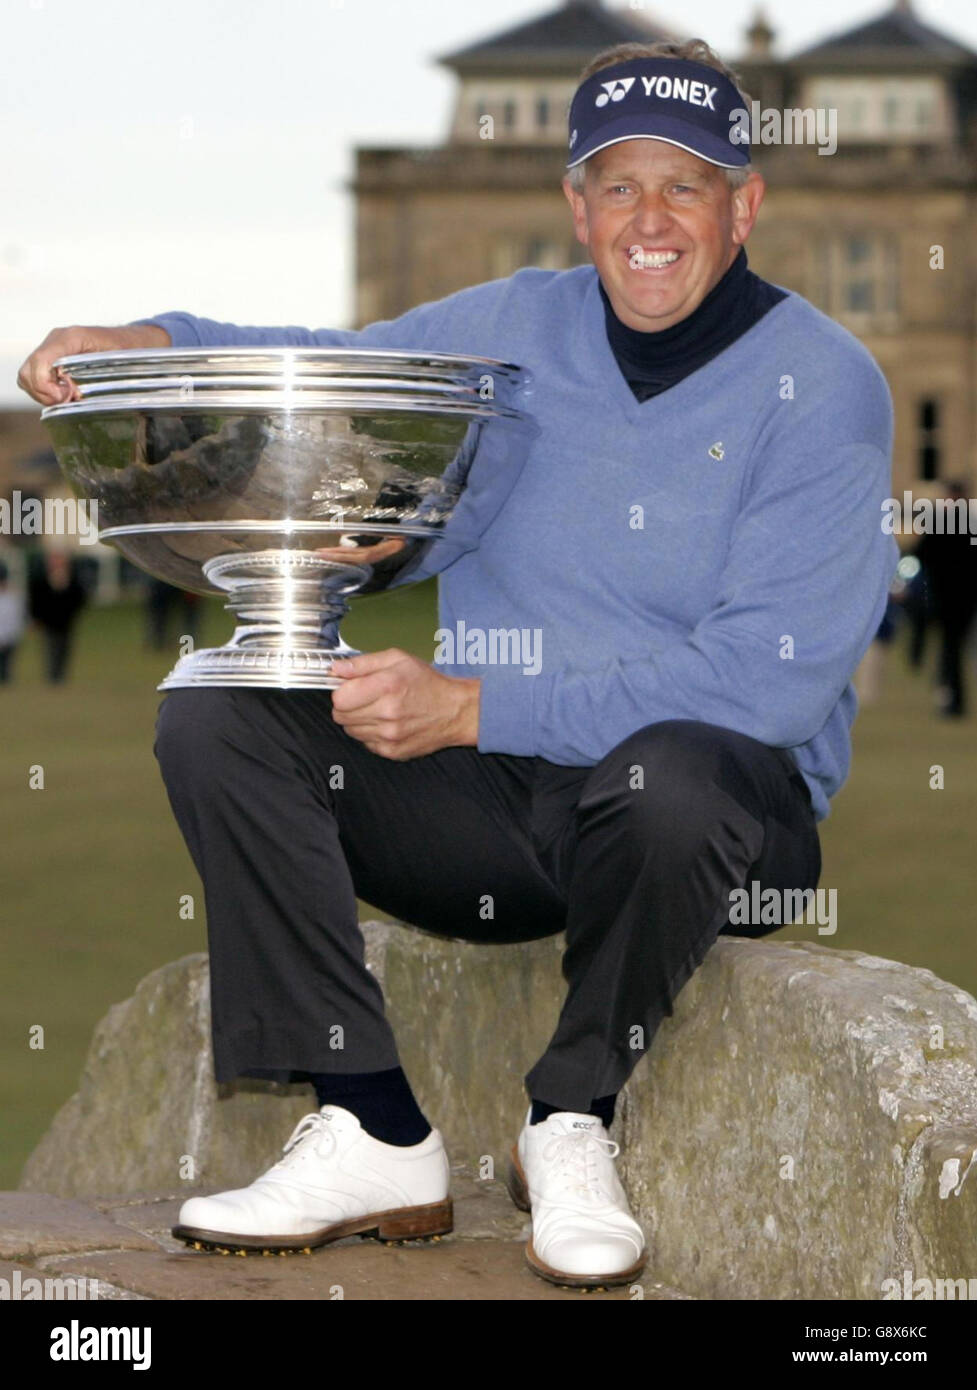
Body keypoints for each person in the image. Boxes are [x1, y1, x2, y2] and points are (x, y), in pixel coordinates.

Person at [17, 38, 898, 1290]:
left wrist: (478, 704)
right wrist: (148, 336)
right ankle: (372, 1122)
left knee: (678, 772)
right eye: (617, 185)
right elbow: (329, 364)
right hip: (499, 807)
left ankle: (571, 1117)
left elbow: (764, 683)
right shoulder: (513, 325)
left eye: (684, 185)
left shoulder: (824, 383)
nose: (648, 220)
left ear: (743, 203)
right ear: (576, 203)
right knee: (221, 713)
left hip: (708, 833)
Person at [913, 480, 977, 717]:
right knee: (954, 647)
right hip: (966, 598)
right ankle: (954, 698)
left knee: (949, 649)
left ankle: (950, 697)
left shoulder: (940, 523)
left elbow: (922, 554)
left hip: (945, 596)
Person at [26, 548, 88, 684]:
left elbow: (80, 598)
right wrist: (35, 617)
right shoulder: (40, 579)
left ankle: (60, 675)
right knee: (50, 648)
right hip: (48, 622)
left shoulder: (72, 579)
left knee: (64, 648)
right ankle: (52, 676)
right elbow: (35, 600)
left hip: (66, 622)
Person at [0, 559, 26, 683]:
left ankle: (6, 678)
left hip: (10, 635)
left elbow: (17, 617)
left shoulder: (14, 595)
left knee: (7, 661)